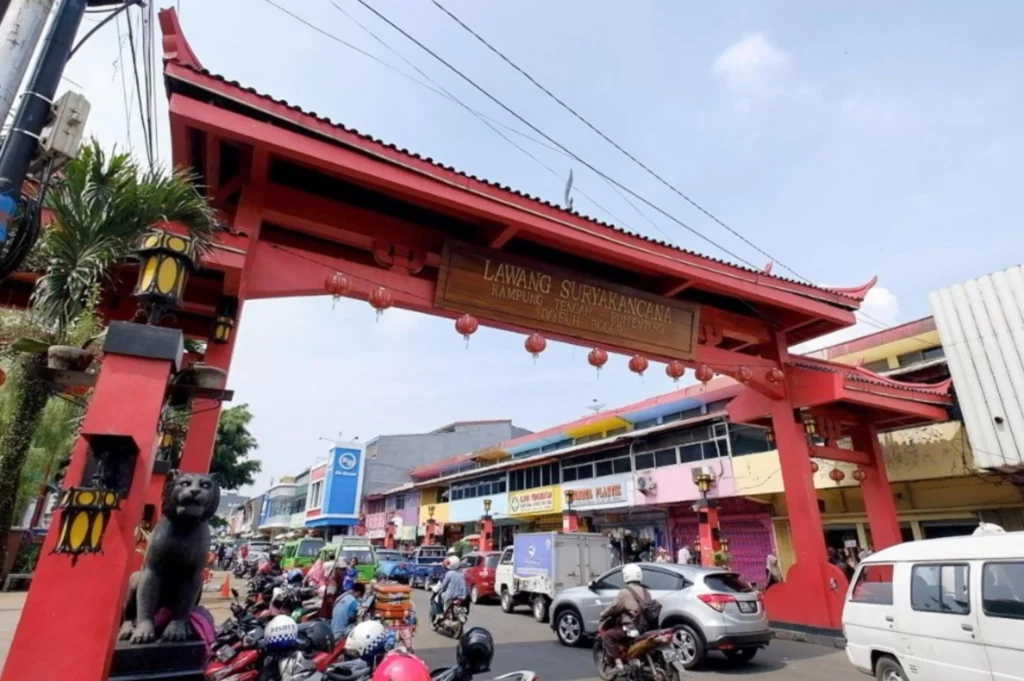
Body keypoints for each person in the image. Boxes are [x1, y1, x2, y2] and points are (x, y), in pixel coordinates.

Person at [599, 563, 655, 673]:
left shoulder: (625, 592)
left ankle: (618, 664)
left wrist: (602, 614)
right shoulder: (646, 591)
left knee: (607, 635)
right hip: (646, 628)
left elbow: (613, 607)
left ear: (626, 576)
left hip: (631, 628)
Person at [431, 555, 468, 623]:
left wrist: (438, 589)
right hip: (463, 596)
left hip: (451, 595)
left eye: (448, 563)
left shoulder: (449, 573)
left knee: (440, 598)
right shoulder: (462, 573)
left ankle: (441, 615)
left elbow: (443, 585)